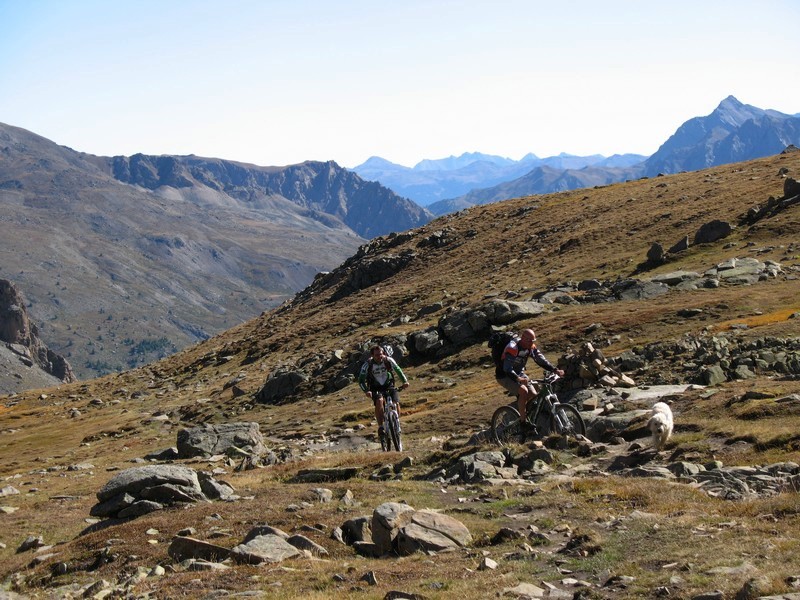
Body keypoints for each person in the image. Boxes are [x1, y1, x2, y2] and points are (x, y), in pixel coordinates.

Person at [497, 328, 564, 435]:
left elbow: (540, 359)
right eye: (530, 341)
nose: (532, 343)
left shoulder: (530, 347)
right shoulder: (512, 348)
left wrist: (554, 370)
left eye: (533, 341)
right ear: (523, 339)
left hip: (519, 373)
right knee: (523, 391)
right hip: (504, 375)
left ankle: (525, 414)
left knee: (533, 394)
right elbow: (507, 369)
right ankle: (523, 423)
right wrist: (518, 379)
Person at [358, 345, 409, 442]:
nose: (379, 356)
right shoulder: (367, 364)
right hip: (375, 387)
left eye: (381, 354)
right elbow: (360, 380)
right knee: (379, 400)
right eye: (376, 355)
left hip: (388, 384)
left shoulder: (388, 360)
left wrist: (405, 382)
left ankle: (396, 421)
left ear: (383, 353)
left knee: (395, 402)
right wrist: (366, 391)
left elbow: (398, 370)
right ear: (372, 355)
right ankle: (381, 426)